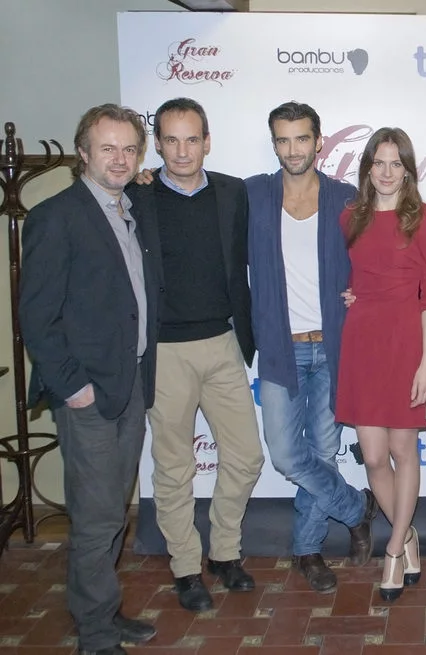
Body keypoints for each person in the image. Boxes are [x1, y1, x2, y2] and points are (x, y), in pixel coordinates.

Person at [20, 104, 160, 655]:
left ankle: (103, 610)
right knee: (97, 516)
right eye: (108, 149)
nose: (120, 159)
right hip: (89, 393)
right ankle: (96, 635)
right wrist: (73, 387)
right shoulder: (56, 216)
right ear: (83, 153)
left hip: (130, 383)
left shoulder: (130, 209)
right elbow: (37, 317)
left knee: (112, 511)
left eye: (129, 149)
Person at [131, 97, 264, 613]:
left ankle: (224, 552)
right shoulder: (137, 195)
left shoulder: (233, 192)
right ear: (157, 144)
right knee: (173, 467)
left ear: (207, 141)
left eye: (192, 139)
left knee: (247, 456)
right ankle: (186, 566)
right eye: (171, 140)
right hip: (164, 351)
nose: (182, 151)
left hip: (223, 343)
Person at [246, 102, 379, 593]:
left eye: (301, 138)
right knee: (286, 455)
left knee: (323, 453)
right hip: (280, 348)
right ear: (274, 143)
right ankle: (355, 507)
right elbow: (196, 195)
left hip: (334, 349)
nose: (292, 149)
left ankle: (307, 549)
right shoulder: (253, 195)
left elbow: (385, 248)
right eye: (283, 139)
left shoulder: (345, 198)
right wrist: (148, 180)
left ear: (319, 142)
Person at [335, 127, 426, 602]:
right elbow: (353, 273)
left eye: (395, 163)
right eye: (378, 162)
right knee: (374, 457)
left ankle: (395, 549)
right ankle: (408, 533)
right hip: (362, 341)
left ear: (407, 170)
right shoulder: (350, 217)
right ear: (367, 168)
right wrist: (352, 294)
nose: (385, 172)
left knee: (403, 450)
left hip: (406, 343)